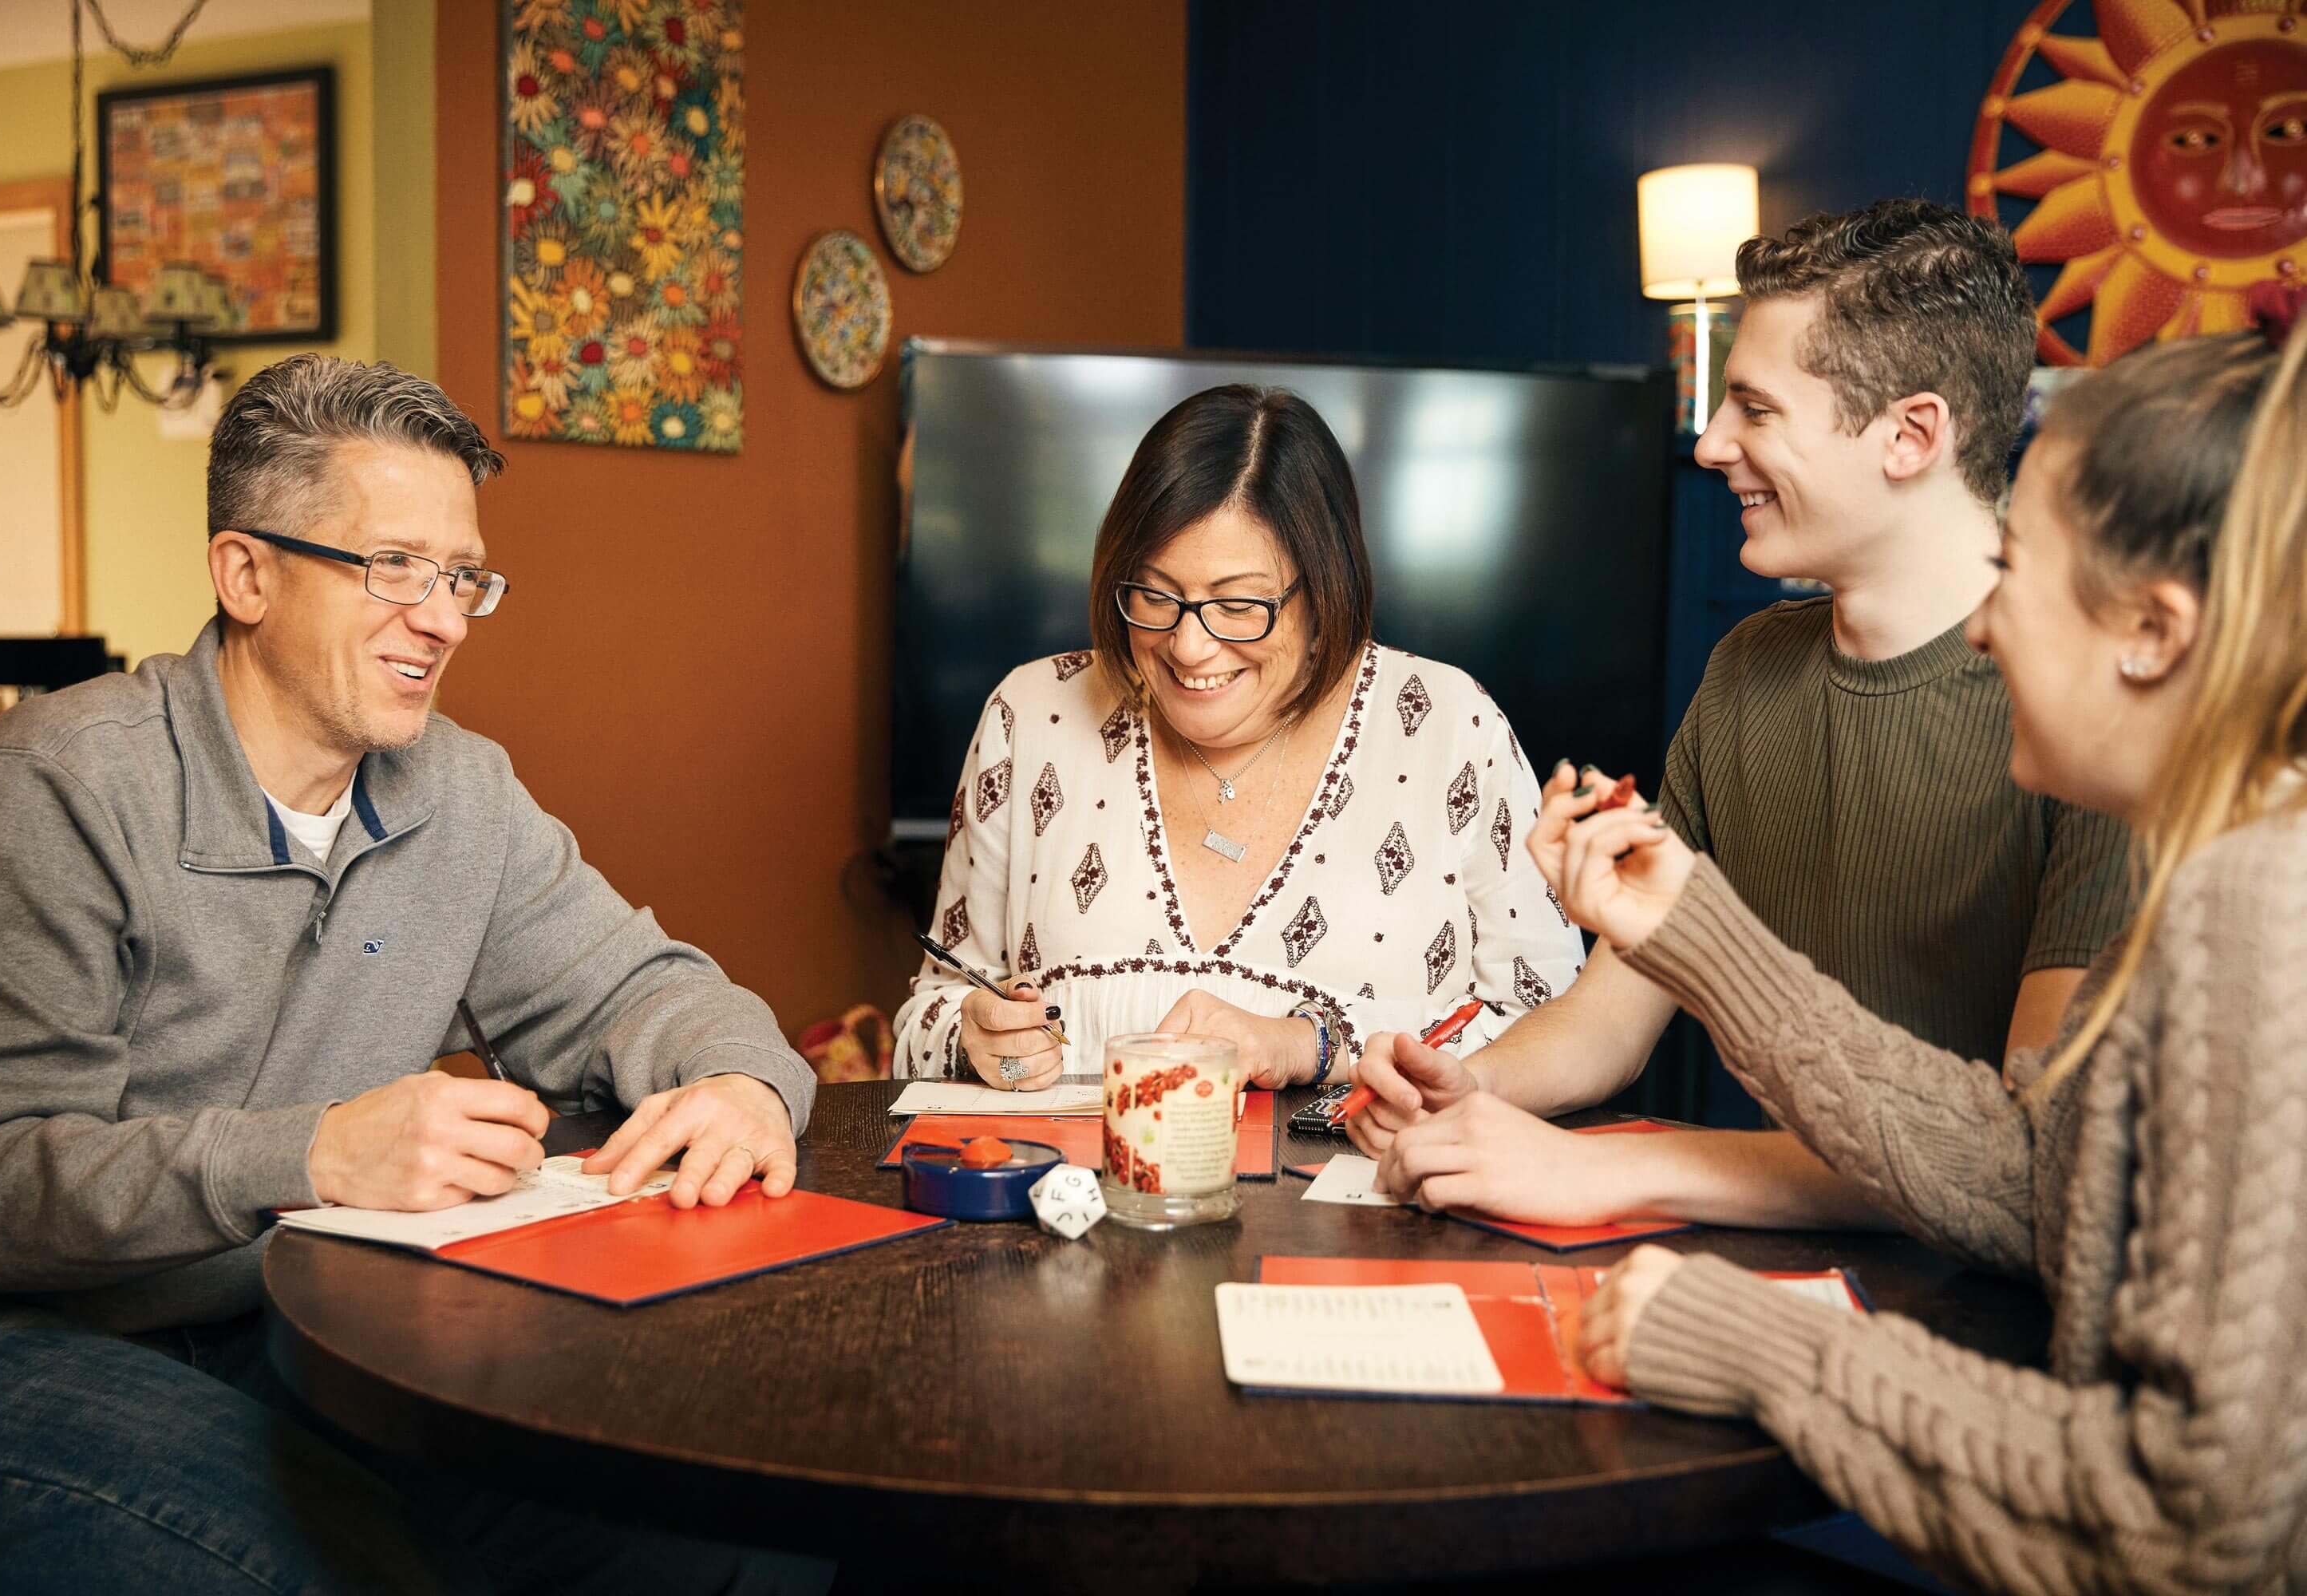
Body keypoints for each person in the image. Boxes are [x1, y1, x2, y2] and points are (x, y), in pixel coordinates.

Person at [0, 355, 824, 1593]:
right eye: (392, 566)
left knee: (729, 1539)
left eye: (462, 576)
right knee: (352, 1570)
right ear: (246, 574)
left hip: (303, 1326)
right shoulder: (46, 796)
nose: (442, 617)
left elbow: (640, 988)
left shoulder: (460, 793)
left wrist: (744, 1083)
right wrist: (315, 1156)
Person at [1534, 286, 2307, 1594]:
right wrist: (1702, 934)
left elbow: (2196, 1527)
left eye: (2017, 574)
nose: (1988, 621)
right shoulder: (2228, 862)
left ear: (2154, 631)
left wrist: (1761, 1348)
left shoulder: (2255, 904)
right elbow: (2032, 1175)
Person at [1353, 200, 2128, 1227]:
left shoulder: (2101, 716)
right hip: (1742, 1265)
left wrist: (1617, 1171)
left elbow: (2027, 1162)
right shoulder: (1750, 667)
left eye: (1755, 410)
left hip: (1974, 1314)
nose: (1712, 444)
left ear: (1912, 433)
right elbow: (1612, 1020)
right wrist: (1471, 1090)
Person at [893, 384, 1582, 1089]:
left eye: (1239, 604)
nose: (1189, 646)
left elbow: (1563, 1028)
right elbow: (929, 1012)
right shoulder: (1031, 714)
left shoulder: (1448, 727)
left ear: (1324, 590)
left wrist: (1313, 1046)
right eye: (1156, 595)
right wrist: (969, 1036)